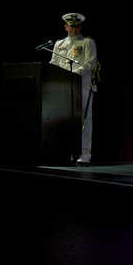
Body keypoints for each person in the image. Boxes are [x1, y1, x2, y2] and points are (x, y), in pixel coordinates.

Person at [50, 12, 98, 166]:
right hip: (62, 87)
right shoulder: (59, 44)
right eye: (71, 26)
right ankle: (64, 151)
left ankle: (85, 155)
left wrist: (72, 74)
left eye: (77, 26)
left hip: (82, 85)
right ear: (66, 27)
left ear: (80, 27)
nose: (75, 29)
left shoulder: (87, 43)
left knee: (84, 120)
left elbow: (89, 63)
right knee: (62, 120)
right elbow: (54, 62)